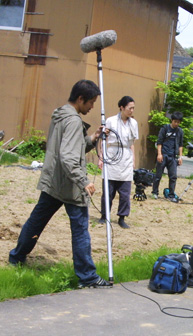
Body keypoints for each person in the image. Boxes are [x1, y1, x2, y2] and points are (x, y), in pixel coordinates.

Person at [9, 80, 112, 288]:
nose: (92, 106)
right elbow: (68, 156)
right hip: (70, 185)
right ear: (80, 99)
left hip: (53, 181)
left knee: (36, 221)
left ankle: (16, 257)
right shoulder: (73, 121)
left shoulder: (60, 114)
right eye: (91, 102)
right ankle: (88, 277)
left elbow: (71, 147)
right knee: (81, 229)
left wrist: (93, 138)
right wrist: (83, 181)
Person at [98, 96, 138, 229]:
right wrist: (101, 158)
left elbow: (132, 144)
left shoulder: (134, 123)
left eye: (133, 108)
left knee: (125, 192)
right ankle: (104, 215)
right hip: (112, 155)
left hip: (126, 157)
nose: (131, 110)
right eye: (129, 108)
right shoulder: (110, 121)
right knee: (108, 191)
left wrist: (133, 159)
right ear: (122, 107)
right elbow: (103, 141)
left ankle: (122, 217)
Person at [152, 112, 184, 202]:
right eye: (175, 122)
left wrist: (180, 157)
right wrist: (159, 154)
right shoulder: (165, 128)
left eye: (178, 122)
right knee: (158, 175)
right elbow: (159, 142)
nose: (176, 124)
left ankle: (171, 194)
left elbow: (181, 145)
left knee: (173, 176)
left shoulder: (180, 131)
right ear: (172, 120)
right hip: (163, 154)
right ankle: (154, 192)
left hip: (173, 156)